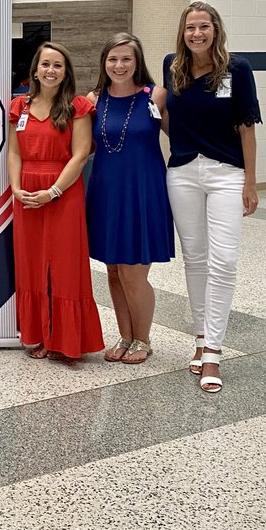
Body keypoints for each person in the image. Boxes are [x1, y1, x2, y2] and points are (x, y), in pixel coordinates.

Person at [163, 1, 261, 394]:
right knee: (195, 259)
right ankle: (201, 337)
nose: (197, 34)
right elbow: (172, 118)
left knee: (224, 260)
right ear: (182, 32)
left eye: (204, 26)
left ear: (216, 30)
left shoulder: (237, 69)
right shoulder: (174, 66)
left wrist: (250, 182)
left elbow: (246, 126)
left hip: (226, 174)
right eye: (191, 27)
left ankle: (214, 354)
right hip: (183, 171)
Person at [8, 41, 103, 361]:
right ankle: (39, 333)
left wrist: (52, 192)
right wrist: (16, 189)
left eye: (58, 65)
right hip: (27, 194)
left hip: (63, 191)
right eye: (45, 64)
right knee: (32, 264)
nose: (51, 70)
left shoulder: (77, 106)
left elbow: (79, 157)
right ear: (35, 69)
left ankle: (66, 338)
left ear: (66, 72)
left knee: (63, 265)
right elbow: (13, 152)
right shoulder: (19, 106)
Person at [85, 33, 174, 364]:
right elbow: (81, 146)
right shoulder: (93, 99)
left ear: (138, 63)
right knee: (112, 271)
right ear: (104, 63)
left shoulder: (156, 95)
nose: (119, 65)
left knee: (134, 273)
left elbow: (181, 138)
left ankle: (143, 339)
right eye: (113, 59)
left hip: (143, 192)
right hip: (107, 192)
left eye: (126, 59)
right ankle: (124, 335)